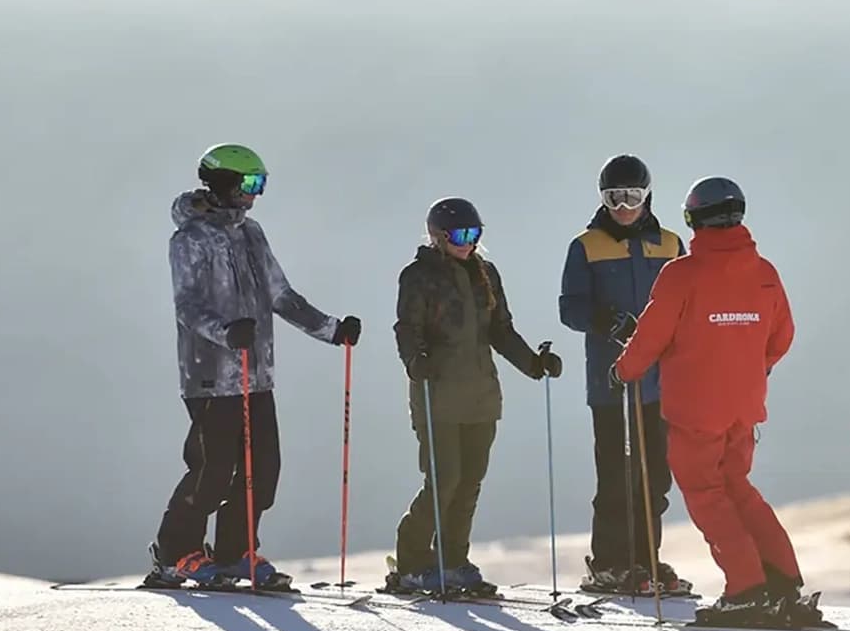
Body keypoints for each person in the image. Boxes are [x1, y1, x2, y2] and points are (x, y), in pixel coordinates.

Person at [611, 176, 823, 627]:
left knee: (707, 493)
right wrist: (750, 367)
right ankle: (782, 582)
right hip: (743, 406)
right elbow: (782, 336)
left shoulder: (682, 274)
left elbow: (651, 336)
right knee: (738, 487)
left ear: (692, 219)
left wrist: (623, 370)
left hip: (696, 408)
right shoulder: (764, 272)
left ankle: (746, 589)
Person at [147, 143, 362, 589]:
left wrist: (331, 329)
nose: (254, 195)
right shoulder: (189, 239)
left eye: (259, 185)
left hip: (256, 374)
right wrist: (226, 332)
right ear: (222, 183)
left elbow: (280, 295)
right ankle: (174, 553)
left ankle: (234, 553)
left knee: (262, 471)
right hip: (209, 377)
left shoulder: (251, 233)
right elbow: (187, 306)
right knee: (211, 469)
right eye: (248, 184)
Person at [389, 197, 563, 594]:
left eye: (474, 234)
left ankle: (453, 560)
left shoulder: (486, 274)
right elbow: (406, 328)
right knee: (443, 480)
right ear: (436, 237)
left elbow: (500, 330)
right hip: (437, 395)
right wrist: (415, 361)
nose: (467, 243)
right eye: (459, 235)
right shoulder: (418, 275)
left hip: (481, 395)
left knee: (469, 482)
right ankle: (411, 562)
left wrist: (534, 364)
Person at [558, 154, 690, 596]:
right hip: (612, 383)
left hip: (661, 383)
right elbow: (570, 307)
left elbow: (688, 299)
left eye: (632, 197)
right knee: (616, 474)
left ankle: (645, 559)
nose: (623, 207)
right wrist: (607, 320)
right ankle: (611, 563)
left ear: (647, 196)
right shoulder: (588, 246)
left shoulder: (670, 244)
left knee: (654, 476)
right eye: (614, 198)